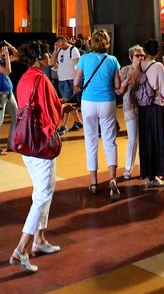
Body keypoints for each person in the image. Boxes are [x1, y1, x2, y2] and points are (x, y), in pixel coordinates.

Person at [9, 41, 75, 273]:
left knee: (41, 191)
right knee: (43, 195)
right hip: (40, 144)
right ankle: (22, 248)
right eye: (47, 53)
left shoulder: (25, 78)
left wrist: (58, 106)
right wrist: (62, 110)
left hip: (26, 141)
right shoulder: (42, 79)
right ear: (39, 58)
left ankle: (39, 239)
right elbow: (49, 115)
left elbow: (33, 106)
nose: (50, 55)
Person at [76, 28, 123, 199]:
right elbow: (117, 85)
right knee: (110, 140)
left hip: (88, 102)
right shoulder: (112, 60)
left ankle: (94, 181)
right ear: (106, 43)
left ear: (91, 42)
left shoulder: (84, 58)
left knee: (91, 141)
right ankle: (112, 178)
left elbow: (76, 81)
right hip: (107, 101)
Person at [130, 42, 164, 188]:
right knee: (158, 140)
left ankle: (148, 173)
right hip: (156, 106)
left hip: (142, 107)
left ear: (145, 51)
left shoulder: (139, 66)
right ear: (158, 52)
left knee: (146, 141)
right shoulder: (158, 66)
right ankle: (155, 175)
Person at [0, 41, 19, 155]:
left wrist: (9, 46)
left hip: (9, 93)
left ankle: (11, 144)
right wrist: (6, 56)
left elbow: (17, 56)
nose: (1, 50)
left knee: (16, 118)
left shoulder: (2, 60)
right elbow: (8, 71)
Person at [118, 46, 141, 179]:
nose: (140, 58)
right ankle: (128, 168)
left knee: (144, 138)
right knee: (132, 138)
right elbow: (119, 91)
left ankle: (144, 166)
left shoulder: (147, 69)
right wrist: (127, 80)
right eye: (137, 56)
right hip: (130, 107)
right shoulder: (125, 70)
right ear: (131, 57)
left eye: (142, 55)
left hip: (144, 107)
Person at [54, 34, 83, 134]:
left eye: (62, 42)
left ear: (66, 41)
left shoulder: (73, 50)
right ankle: (78, 122)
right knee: (70, 102)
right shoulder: (60, 51)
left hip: (70, 80)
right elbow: (55, 63)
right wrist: (55, 51)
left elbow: (78, 66)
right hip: (62, 79)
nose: (61, 45)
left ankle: (64, 126)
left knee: (67, 103)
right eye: (59, 43)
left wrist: (77, 82)